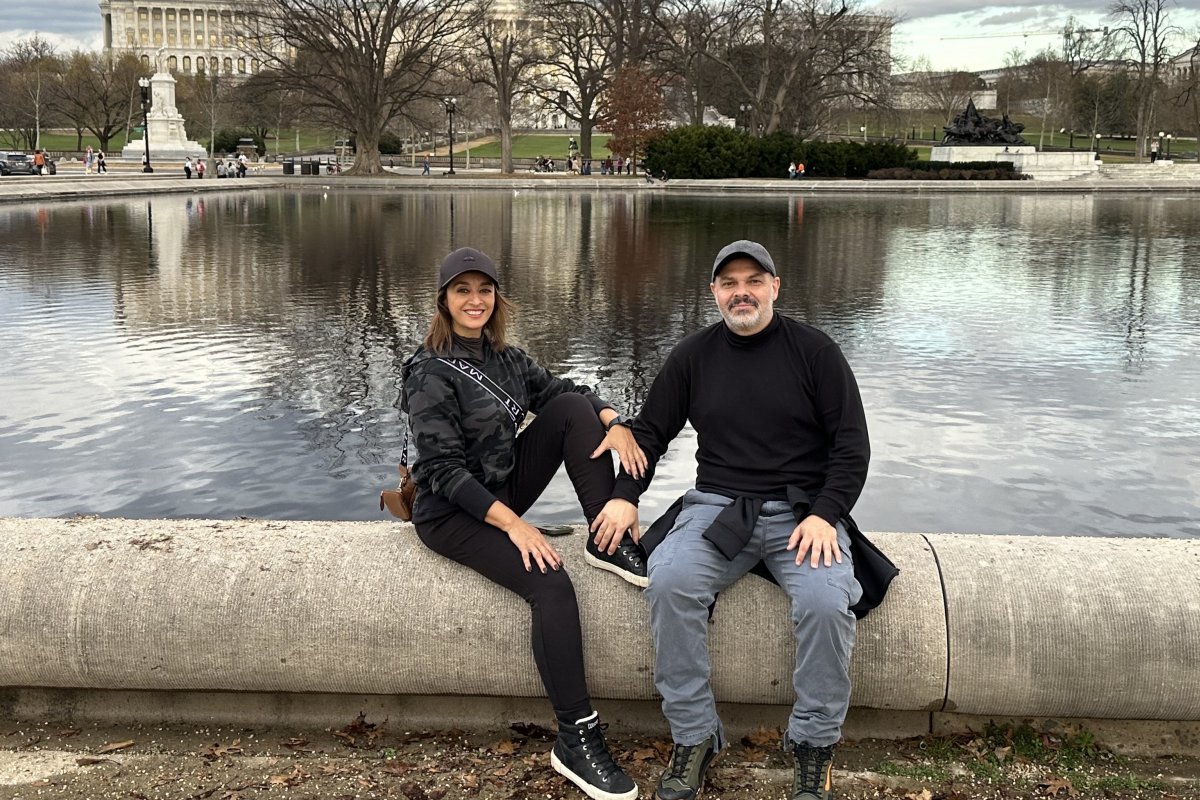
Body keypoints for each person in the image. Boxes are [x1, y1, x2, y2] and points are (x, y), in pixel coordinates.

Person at [591, 240, 876, 800]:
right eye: (728, 283)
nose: (740, 292)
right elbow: (649, 433)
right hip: (718, 507)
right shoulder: (692, 356)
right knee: (670, 582)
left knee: (824, 603)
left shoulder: (815, 353)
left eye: (753, 280)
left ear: (775, 287)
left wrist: (825, 514)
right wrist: (625, 496)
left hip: (802, 513)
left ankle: (813, 742)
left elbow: (852, 448)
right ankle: (695, 736)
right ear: (714, 293)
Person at [401, 247, 648, 800]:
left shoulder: (507, 359)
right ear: (443, 300)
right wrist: (514, 525)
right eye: (462, 290)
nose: (474, 300)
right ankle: (576, 738)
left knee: (572, 413)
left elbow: (565, 393)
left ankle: (606, 537)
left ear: (497, 298)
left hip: (498, 488)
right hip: (451, 511)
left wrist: (615, 419)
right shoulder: (428, 371)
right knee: (551, 585)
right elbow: (439, 469)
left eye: (483, 290)